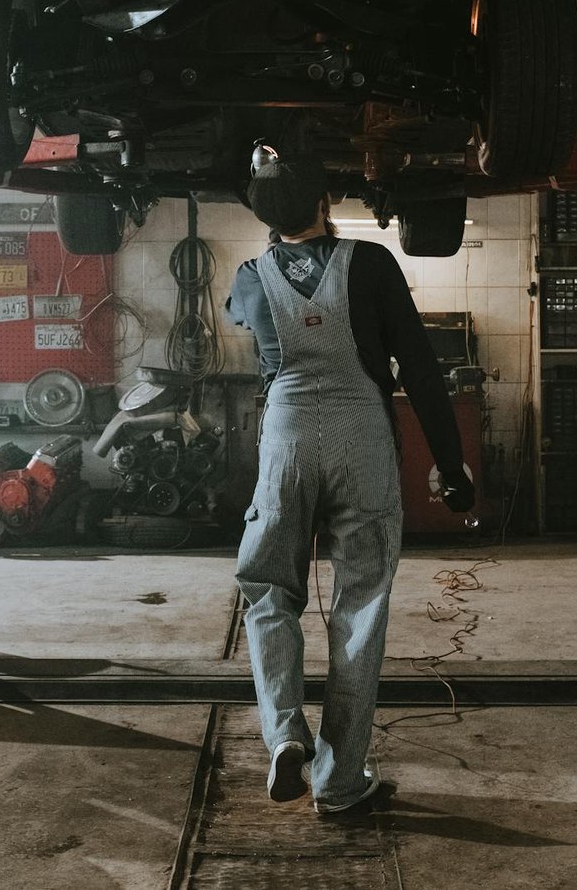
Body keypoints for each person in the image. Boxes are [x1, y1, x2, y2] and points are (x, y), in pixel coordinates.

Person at [226, 148, 475, 815]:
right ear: (325, 204)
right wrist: (451, 467)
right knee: (359, 604)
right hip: (361, 438)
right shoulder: (370, 264)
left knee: (267, 589)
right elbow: (420, 367)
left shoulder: (250, 278)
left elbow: (251, 333)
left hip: (286, 440)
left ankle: (284, 736)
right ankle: (339, 783)